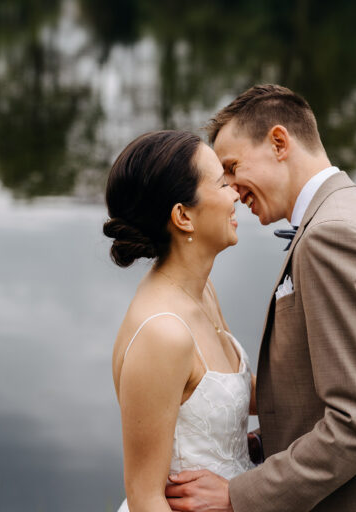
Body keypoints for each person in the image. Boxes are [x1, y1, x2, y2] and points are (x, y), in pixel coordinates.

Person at [165, 85, 356, 511]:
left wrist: (238, 495)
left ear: (279, 142)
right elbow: (328, 392)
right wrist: (247, 445)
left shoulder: (333, 236)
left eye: (232, 167)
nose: (231, 189)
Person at [103, 130, 256, 512]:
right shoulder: (163, 333)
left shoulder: (203, 292)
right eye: (222, 182)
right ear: (183, 216)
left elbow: (230, 396)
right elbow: (146, 499)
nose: (236, 193)